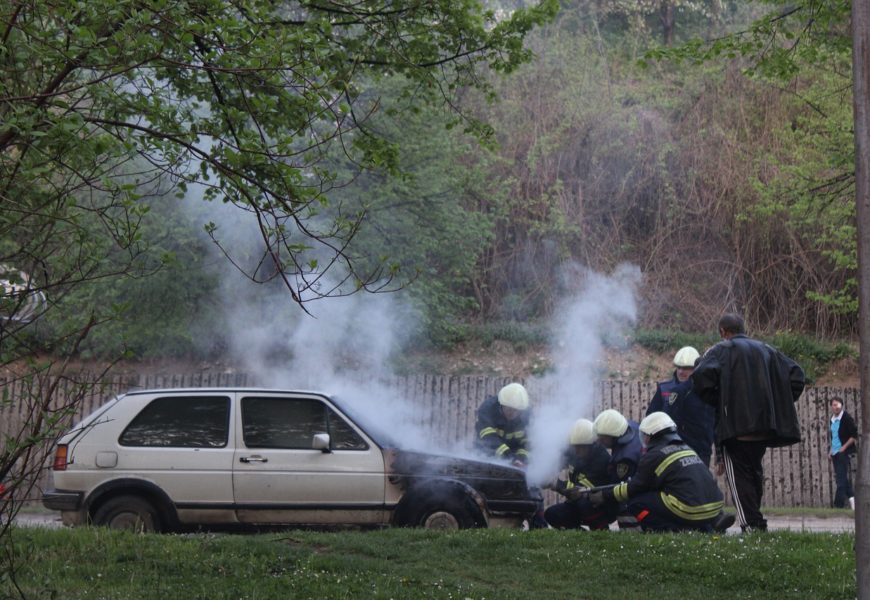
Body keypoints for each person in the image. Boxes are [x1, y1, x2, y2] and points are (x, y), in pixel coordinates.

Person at [691, 313, 805, 532]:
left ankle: (751, 525)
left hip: (737, 429)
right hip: (764, 428)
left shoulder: (721, 350)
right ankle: (757, 522)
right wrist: (779, 401)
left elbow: (700, 376)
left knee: (739, 479)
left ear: (723, 332)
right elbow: (797, 376)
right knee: (754, 474)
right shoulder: (767, 349)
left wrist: (719, 399)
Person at [589, 412, 735, 533]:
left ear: (650, 436)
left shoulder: (654, 455)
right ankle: (706, 527)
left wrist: (604, 494)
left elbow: (635, 487)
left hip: (690, 508)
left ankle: (674, 530)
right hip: (714, 505)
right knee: (663, 499)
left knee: (636, 503)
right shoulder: (685, 447)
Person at [647, 346, 716, 466]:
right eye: (678, 367)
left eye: (686, 368)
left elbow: (712, 421)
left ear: (696, 369)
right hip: (671, 450)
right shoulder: (664, 389)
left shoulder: (706, 391)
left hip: (700, 450)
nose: (681, 371)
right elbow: (651, 417)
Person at [544, 418, 613, 530]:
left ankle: (601, 531)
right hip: (577, 502)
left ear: (592, 445)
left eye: (580, 447)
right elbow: (557, 462)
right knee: (551, 514)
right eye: (574, 446)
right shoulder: (574, 451)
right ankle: (579, 533)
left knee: (584, 503)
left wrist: (555, 484)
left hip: (601, 505)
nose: (576, 451)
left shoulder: (602, 460)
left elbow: (580, 491)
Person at [592, 408, 644, 529]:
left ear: (615, 436)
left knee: (622, 505)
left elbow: (621, 487)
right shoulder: (630, 427)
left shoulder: (625, 459)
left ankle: (631, 533)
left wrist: (603, 496)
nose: (599, 441)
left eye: (603, 438)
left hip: (638, 494)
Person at [474, 382, 531, 466]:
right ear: (501, 405)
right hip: (485, 455)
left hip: (515, 460)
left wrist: (521, 458)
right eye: (509, 409)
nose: (513, 413)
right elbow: (488, 438)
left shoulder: (528, 417)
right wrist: (509, 457)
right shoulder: (488, 409)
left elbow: (528, 443)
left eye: (517, 411)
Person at [829, 397, 857, 510]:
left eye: (837, 405)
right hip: (834, 453)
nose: (835, 407)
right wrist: (831, 450)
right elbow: (834, 437)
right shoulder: (832, 419)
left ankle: (838, 505)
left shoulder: (846, 418)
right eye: (833, 405)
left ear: (842, 405)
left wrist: (844, 448)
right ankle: (852, 498)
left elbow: (854, 436)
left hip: (843, 452)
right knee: (842, 479)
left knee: (840, 480)